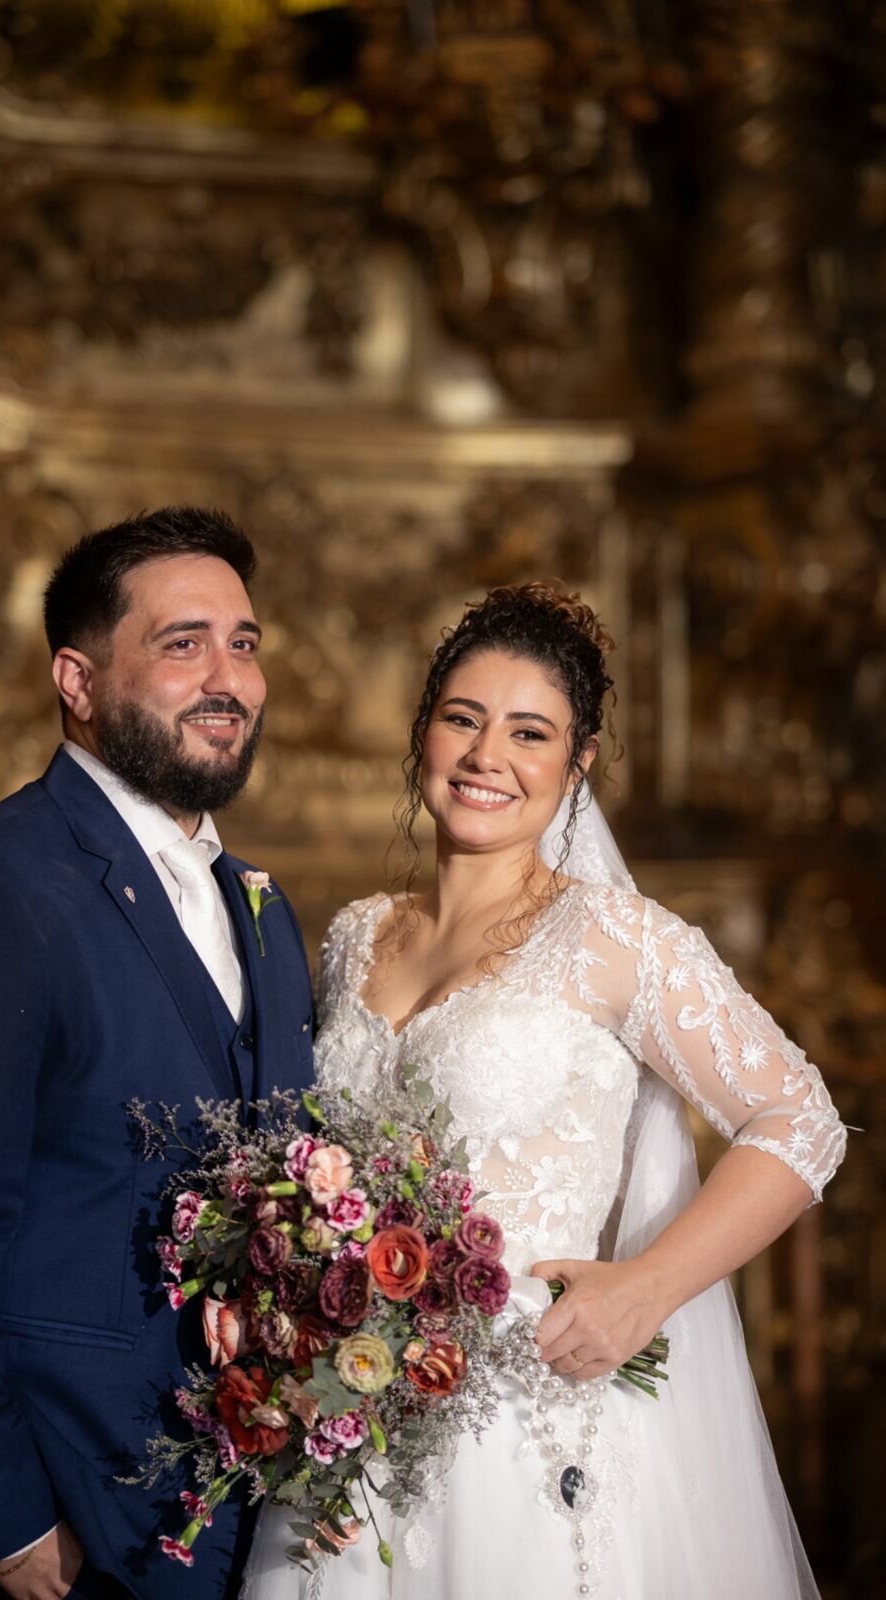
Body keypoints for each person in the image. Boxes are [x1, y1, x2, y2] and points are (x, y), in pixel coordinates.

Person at [242, 581, 846, 1599]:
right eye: (462, 719)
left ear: (578, 764)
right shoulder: (354, 936)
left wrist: (645, 1288)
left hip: (525, 1427)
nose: (487, 756)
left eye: (529, 733)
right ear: (422, 735)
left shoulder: (615, 937)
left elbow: (802, 1121)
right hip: (354, 1428)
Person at [0, 506, 315, 1600]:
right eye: (183, 643)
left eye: (243, 643)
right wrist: (5, 1521)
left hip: (241, 1511)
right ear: (78, 679)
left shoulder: (264, 909)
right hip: (70, 1520)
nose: (228, 679)